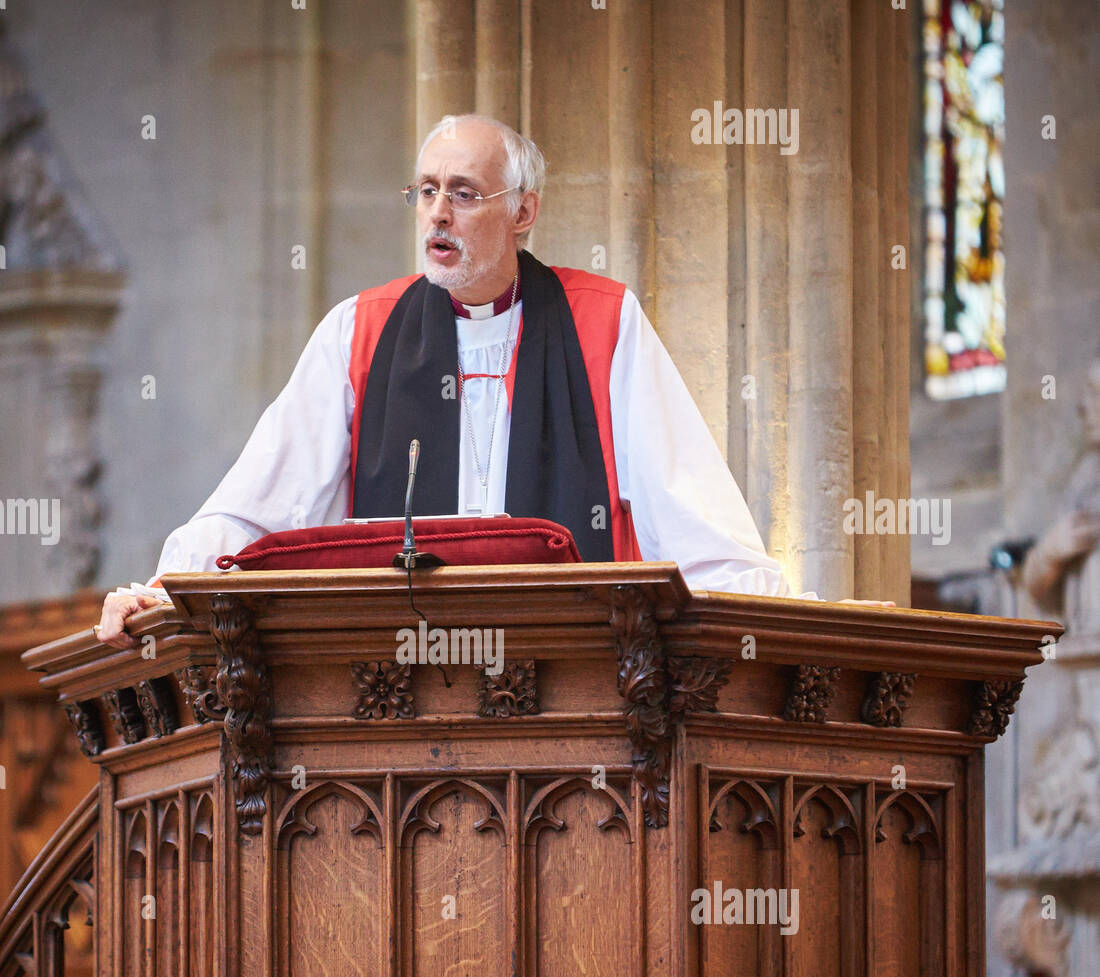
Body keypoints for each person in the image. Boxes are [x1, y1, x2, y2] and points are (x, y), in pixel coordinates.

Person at [98, 114, 859, 650]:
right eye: (426, 191)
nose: (438, 212)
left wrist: (790, 619)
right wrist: (163, 589)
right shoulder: (359, 332)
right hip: (399, 672)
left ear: (523, 210)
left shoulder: (603, 322)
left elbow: (688, 509)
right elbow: (262, 501)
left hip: (570, 676)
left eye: (464, 193)